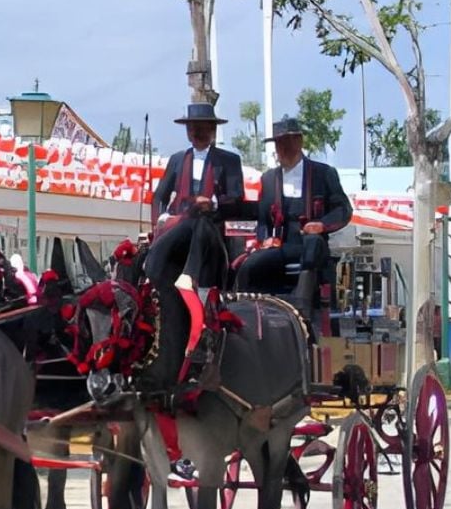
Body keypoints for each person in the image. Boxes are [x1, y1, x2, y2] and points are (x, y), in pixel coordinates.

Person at [147, 102, 250, 382]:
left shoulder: (228, 161)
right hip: (179, 233)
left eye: (204, 127)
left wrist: (213, 203)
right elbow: (159, 196)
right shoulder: (178, 160)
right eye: (194, 128)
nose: (198, 132)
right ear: (188, 131)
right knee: (187, 222)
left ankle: (189, 276)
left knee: (201, 221)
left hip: (211, 238)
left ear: (213, 130)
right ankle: (152, 271)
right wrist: (159, 221)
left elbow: (237, 200)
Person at [234, 116, 354, 321]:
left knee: (313, 244)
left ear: (299, 142)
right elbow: (263, 220)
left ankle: (302, 306)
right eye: (280, 143)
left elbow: (343, 209)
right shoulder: (269, 179)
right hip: (282, 246)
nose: (284, 148)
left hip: (311, 245)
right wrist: (264, 240)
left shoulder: (323, 173)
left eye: (288, 142)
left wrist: (321, 225)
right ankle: (244, 313)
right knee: (249, 265)